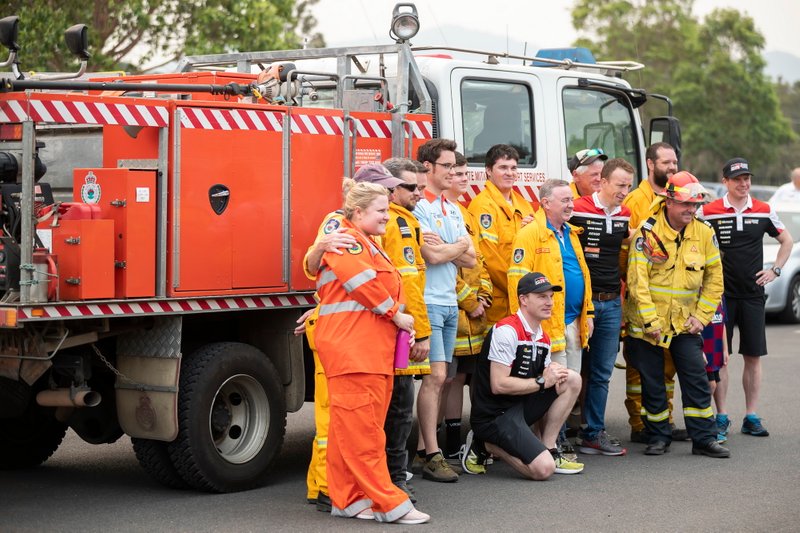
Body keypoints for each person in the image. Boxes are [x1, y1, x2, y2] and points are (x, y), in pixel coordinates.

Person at [315, 181, 430, 524]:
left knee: (348, 431)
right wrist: (398, 315)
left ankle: (348, 499)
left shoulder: (364, 241)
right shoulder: (347, 239)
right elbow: (361, 284)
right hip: (354, 350)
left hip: (365, 350)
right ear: (359, 212)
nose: (387, 217)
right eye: (381, 211)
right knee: (364, 433)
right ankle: (389, 503)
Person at [300, 164, 403, 512]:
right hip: (348, 339)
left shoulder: (372, 227)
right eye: (383, 192)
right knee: (340, 419)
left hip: (361, 334)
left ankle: (346, 491)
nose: (390, 199)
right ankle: (328, 488)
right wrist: (396, 314)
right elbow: (320, 267)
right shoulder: (339, 225)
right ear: (359, 200)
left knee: (356, 419)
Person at [623, 171, 729, 458]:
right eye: (685, 204)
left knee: (696, 380)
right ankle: (658, 437)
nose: (691, 210)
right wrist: (650, 323)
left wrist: (702, 317)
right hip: (648, 328)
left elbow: (715, 280)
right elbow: (637, 282)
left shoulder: (704, 233)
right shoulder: (647, 232)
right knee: (653, 383)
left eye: (695, 205)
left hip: (685, 325)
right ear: (668, 201)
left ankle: (704, 439)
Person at [697, 157, 793, 438]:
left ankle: (751, 416)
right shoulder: (709, 211)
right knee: (720, 359)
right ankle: (722, 416)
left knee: (753, 356)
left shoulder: (763, 210)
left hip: (752, 294)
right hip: (719, 296)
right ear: (725, 181)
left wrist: (775, 269)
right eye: (737, 179)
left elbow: (786, 240)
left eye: (747, 178)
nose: (744, 183)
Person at [463, 272, 584, 479]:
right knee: (543, 470)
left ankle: (550, 448)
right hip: (495, 416)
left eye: (550, 297)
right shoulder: (506, 330)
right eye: (541, 296)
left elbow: (546, 383)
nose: (549, 302)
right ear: (523, 299)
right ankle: (486, 443)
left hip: (520, 408)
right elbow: (498, 385)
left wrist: (549, 379)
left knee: (571, 378)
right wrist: (542, 381)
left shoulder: (543, 337)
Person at [508, 178, 594, 461]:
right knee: (550, 387)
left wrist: (588, 314)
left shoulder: (570, 233)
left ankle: (551, 441)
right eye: (564, 200)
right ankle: (543, 446)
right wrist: (523, 327)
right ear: (545, 203)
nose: (571, 204)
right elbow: (517, 281)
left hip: (573, 323)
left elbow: (583, 276)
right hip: (546, 326)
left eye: (571, 199)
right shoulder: (531, 233)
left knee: (571, 385)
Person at [412, 138, 476, 483]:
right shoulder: (419, 206)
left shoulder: (452, 208)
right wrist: (458, 246)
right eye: (447, 166)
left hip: (450, 301)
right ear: (428, 168)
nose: (453, 172)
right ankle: (432, 455)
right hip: (429, 302)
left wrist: (453, 247)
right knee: (435, 378)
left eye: (455, 166)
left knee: (444, 378)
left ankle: (425, 448)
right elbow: (432, 256)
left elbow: (471, 257)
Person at [620, 142, 686, 444]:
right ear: (650, 164)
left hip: (673, 305)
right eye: (666, 162)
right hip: (642, 299)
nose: (672, 167)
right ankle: (639, 423)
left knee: (668, 368)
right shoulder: (635, 201)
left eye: (674, 162)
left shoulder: (681, 197)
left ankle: (666, 420)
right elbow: (626, 254)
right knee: (639, 370)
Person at [569, 158, 633, 456]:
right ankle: (554, 434)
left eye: (629, 186)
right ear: (602, 182)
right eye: (620, 185)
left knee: (601, 373)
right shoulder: (578, 207)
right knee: (568, 368)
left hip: (611, 304)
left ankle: (593, 432)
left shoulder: (626, 214)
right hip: (581, 305)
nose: (625, 191)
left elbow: (628, 247)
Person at [380, 157, 432, 502]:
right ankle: (395, 478)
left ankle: (392, 475)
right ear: (391, 189)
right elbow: (408, 283)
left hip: (394, 326)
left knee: (394, 409)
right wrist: (422, 332)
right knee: (398, 408)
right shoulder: (395, 225)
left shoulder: (405, 220)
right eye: (411, 187)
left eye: (419, 186)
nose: (419, 192)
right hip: (395, 329)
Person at [440, 152, 493, 463]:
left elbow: (480, 260)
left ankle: (470, 438)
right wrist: (471, 302)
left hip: (475, 316)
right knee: (450, 379)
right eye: (458, 173)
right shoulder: (440, 214)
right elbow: (444, 269)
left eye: (465, 174)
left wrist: (484, 293)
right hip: (457, 312)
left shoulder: (466, 215)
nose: (463, 179)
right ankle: (449, 442)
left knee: (470, 378)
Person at [467, 144, 536, 326]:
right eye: (503, 167)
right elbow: (488, 257)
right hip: (499, 302)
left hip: (521, 299)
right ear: (488, 171)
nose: (510, 173)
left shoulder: (523, 204)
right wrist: (521, 290)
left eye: (513, 168)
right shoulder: (483, 206)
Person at [701, 299, 730, 442]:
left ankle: (705, 425)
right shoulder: (696, 293)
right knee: (709, 386)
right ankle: (705, 426)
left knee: (712, 385)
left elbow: (722, 322)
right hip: (704, 350)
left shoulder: (719, 294)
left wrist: (725, 349)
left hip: (715, 351)